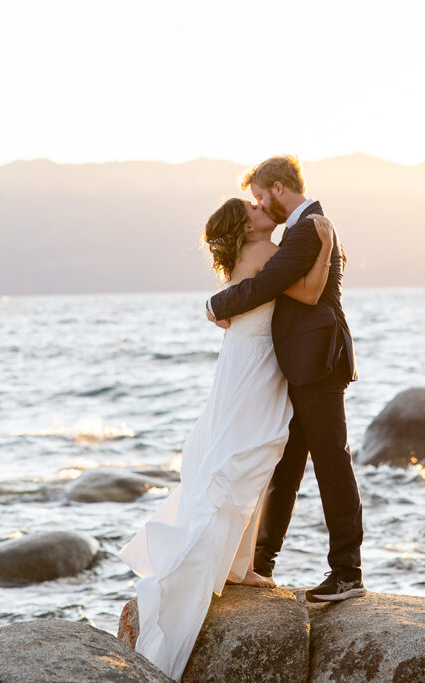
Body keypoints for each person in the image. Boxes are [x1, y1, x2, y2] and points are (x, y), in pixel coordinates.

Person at [119, 196, 336, 681]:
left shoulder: (252, 255)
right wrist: (323, 247)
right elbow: (306, 294)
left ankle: (239, 565)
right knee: (253, 452)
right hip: (257, 363)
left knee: (240, 451)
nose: (262, 209)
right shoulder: (264, 253)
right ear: (246, 226)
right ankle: (234, 565)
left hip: (240, 360)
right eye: (253, 209)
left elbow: (226, 308)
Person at [206, 156, 364, 604]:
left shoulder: (309, 226)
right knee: (286, 467)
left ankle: (348, 573)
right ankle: (261, 560)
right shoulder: (303, 228)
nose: (257, 203)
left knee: (331, 463)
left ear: (277, 188)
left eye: (258, 195)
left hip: (317, 361)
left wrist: (216, 306)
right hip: (295, 364)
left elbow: (268, 285)